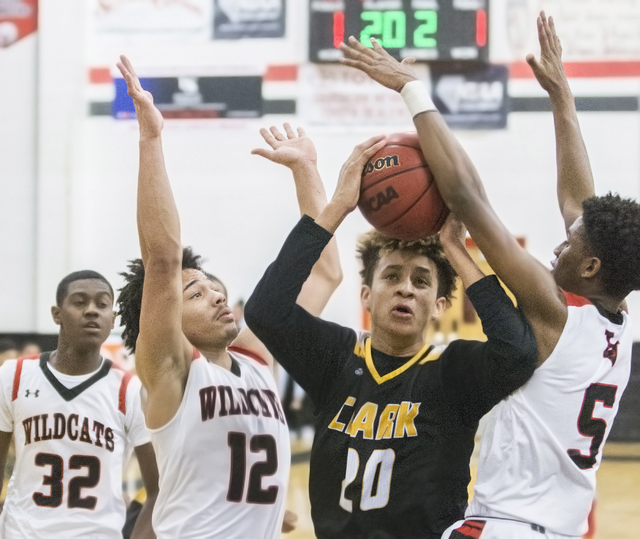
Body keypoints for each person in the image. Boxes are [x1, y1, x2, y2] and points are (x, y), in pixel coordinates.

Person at [338, 11, 640, 539]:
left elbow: (466, 197)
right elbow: (579, 204)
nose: (558, 242)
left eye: (570, 243)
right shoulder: (615, 318)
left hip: (505, 528)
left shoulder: (557, 309)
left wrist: (412, 90)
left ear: (591, 267)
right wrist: (561, 99)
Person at [244, 134, 539, 537]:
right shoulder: (336, 358)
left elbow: (518, 352)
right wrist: (337, 209)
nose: (406, 289)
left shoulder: (451, 371)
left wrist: (455, 248)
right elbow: (265, 311)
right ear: (367, 295)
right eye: (392, 277)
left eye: (421, 282)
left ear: (438, 305)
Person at [115, 56, 341, 539]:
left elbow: (325, 272)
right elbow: (162, 260)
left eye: (214, 286)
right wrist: (151, 139)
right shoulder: (170, 372)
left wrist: (307, 170)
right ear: (168, 316)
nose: (217, 295)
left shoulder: (257, 360)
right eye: (195, 292)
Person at [0, 270, 158, 538]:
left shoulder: (129, 390)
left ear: (113, 319)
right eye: (80, 302)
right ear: (56, 314)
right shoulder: (13, 375)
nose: (92, 311)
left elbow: (160, 491)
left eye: (102, 304)